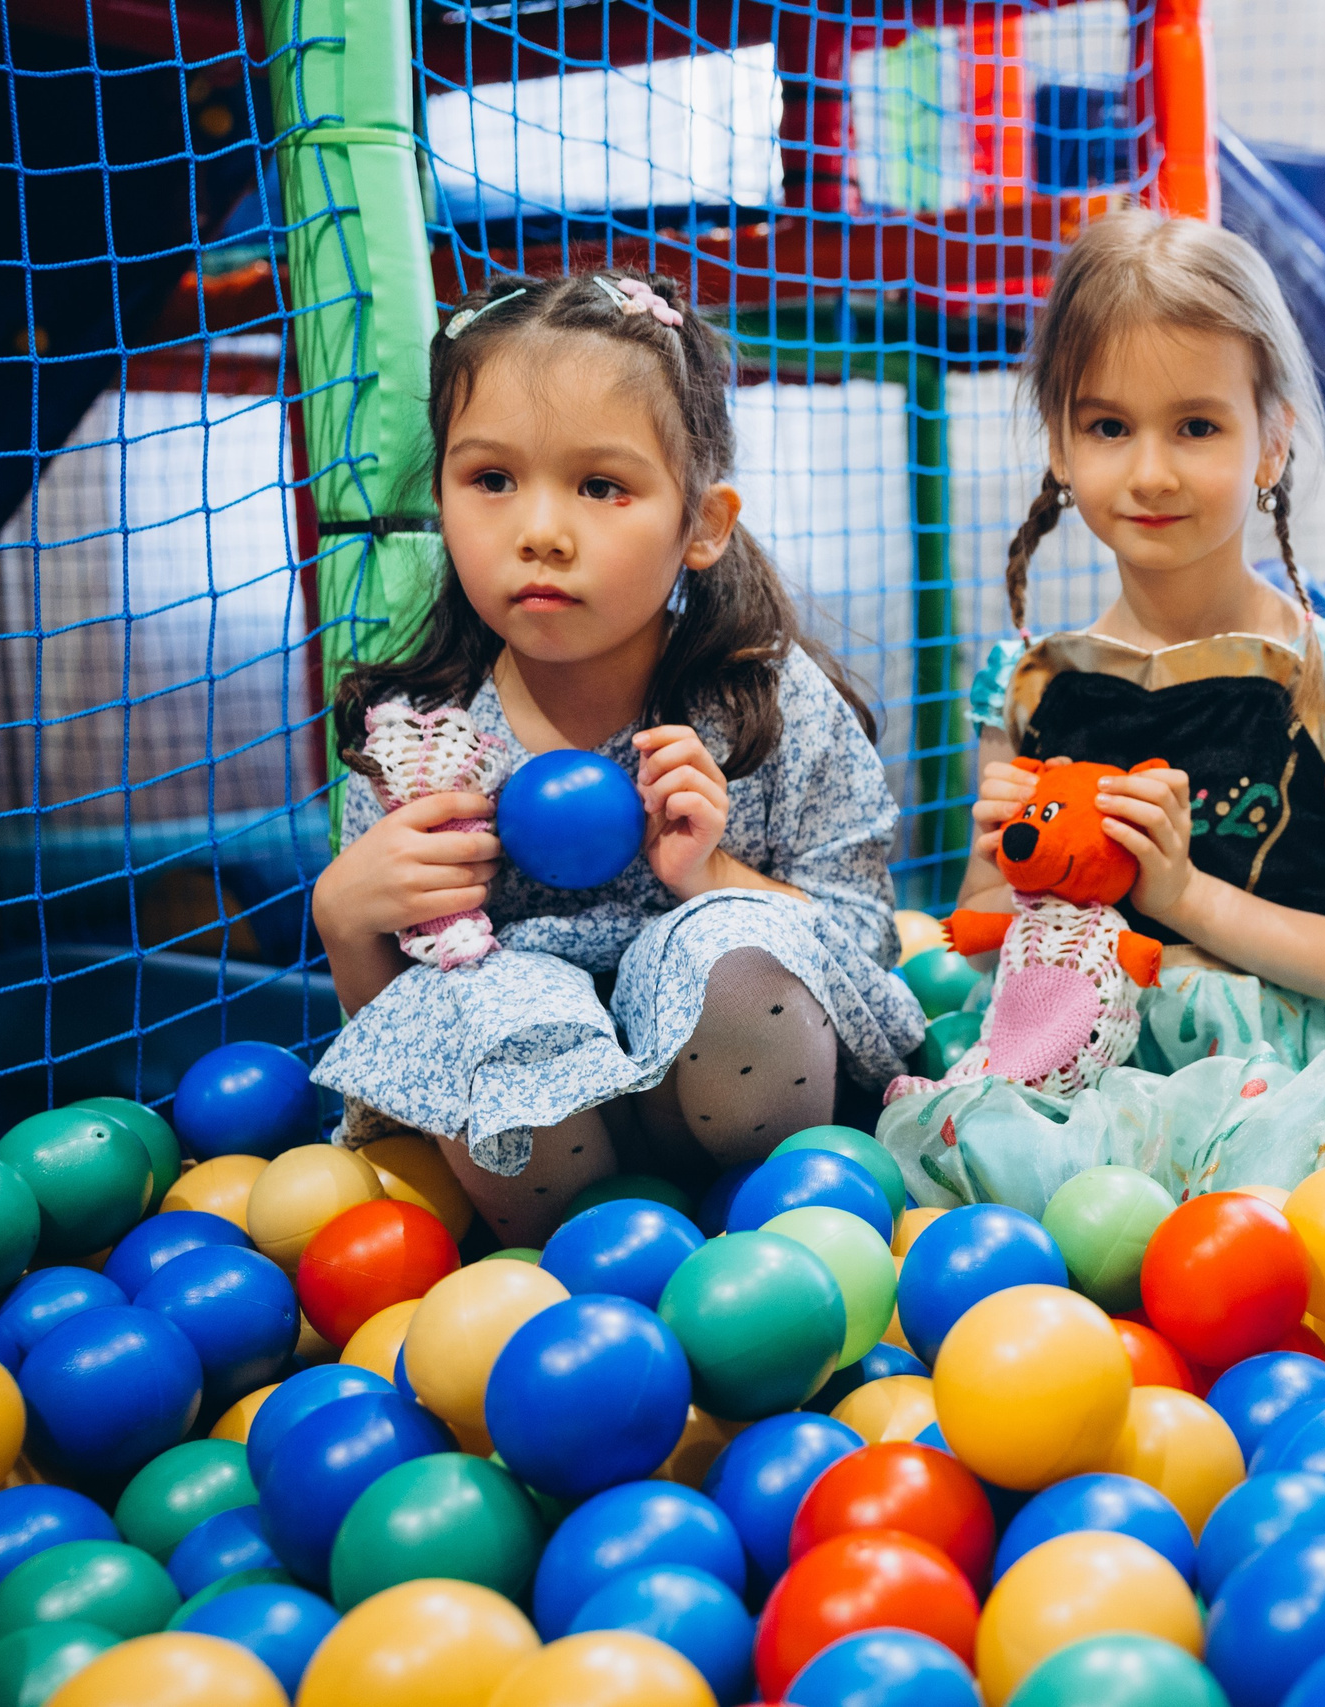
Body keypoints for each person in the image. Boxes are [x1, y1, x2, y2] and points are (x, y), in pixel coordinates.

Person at [879, 210, 1325, 1215]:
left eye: (1196, 426)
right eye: (1108, 427)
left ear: (1271, 443)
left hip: (1283, 1087)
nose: (1152, 470)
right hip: (1078, 1071)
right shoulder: (1028, 684)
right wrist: (998, 883)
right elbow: (988, 937)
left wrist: (1185, 899)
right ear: (1061, 450)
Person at [310, 271, 922, 1243]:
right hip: (546, 1200)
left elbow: (864, 947)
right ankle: (577, 1262)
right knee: (474, 998)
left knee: (731, 948)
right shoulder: (419, 741)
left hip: (739, 1145)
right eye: (492, 481)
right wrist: (347, 921)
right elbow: (399, 1041)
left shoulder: (765, 703)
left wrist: (713, 875)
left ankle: (759, 1251)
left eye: (601, 487)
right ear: (440, 498)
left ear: (702, 525)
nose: (541, 533)